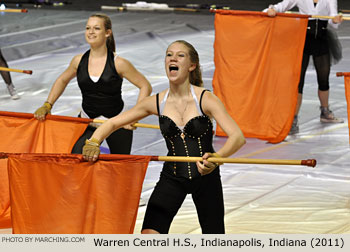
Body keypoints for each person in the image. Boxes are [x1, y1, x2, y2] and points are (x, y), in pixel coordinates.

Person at [82, 40, 246, 234]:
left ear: (192, 66)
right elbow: (113, 123)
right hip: (172, 176)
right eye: (169, 54)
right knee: (149, 235)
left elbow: (237, 137)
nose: (173, 58)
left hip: (206, 177)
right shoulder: (156, 102)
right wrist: (93, 141)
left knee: (214, 238)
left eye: (180, 55)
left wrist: (217, 159)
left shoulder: (206, 99)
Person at [34, 13, 152, 154]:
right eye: (88, 28)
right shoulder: (78, 61)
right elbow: (62, 80)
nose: (91, 32)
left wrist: (134, 116)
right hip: (87, 120)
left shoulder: (119, 63)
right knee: (77, 157)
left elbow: (145, 85)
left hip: (116, 122)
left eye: (96, 28)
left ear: (107, 33)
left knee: (120, 166)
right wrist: (48, 104)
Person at [266, 0, 344, 134]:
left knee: (323, 78)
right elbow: (282, 6)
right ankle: (293, 119)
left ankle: (325, 112)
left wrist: (335, 20)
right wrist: (272, 9)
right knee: (298, 81)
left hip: (321, 40)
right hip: (302, 40)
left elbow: (332, 17)